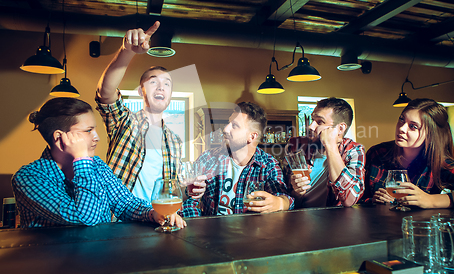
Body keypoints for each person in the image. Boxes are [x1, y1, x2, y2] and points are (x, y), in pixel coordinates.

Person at [12, 97, 186, 229]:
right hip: (55, 270)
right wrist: (81, 158)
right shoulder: (28, 178)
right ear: (60, 138)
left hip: (98, 261)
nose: (97, 137)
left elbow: (124, 203)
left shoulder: (97, 165)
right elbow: (86, 218)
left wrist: (151, 213)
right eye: (88, 131)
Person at [95, 21, 205, 202]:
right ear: (141, 91)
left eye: (167, 84)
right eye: (153, 82)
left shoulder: (175, 141)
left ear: (170, 94)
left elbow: (172, 192)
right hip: (120, 222)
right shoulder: (124, 122)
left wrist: (190, 191)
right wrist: (127, 50)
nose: (161, 87)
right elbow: (104, 92)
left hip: (159, 220)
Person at [363, 98, 454, 211]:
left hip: (421, 234)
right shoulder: (377, 153)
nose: (402, 128)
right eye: (401, 120)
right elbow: (354, 198)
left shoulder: (440, 164)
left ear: (430, 134)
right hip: (378, 233)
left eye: (413, 126)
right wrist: (372, 199)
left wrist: (433, 200)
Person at [181, 102, 294, 217]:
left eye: (234, 125)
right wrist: (197, 229)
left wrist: (280, 202)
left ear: (252, 136)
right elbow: (189, 202)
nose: (225, 129)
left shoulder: (268, 164)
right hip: (211, 231)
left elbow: (283, 197)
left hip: (251, 232)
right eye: (228, 123)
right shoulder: (208, 158)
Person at [287, 98, 365, 208]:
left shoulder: (354, 150)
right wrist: (297, 192)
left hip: (334, 221)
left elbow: (350, 200)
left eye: (319, 122)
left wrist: (331, 146)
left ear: (340, 128)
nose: (310, 126)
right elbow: (286, 198)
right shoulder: (299, 147)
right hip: (300, 217)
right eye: (312, 120)